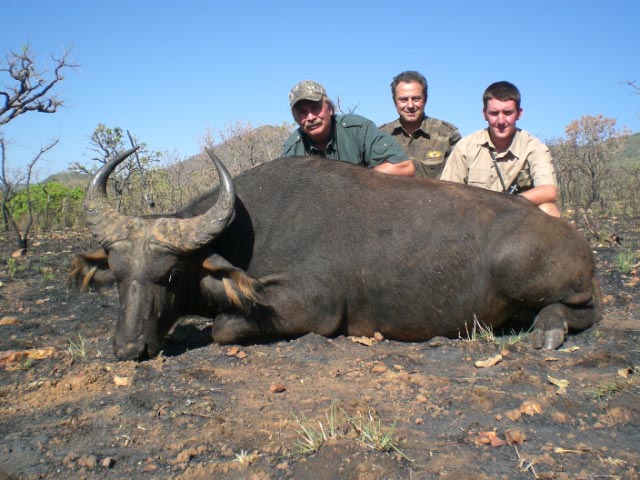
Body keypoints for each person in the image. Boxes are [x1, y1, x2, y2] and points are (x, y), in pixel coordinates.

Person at [441, 81, 561, 217]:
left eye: (508, 112)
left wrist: (503, 205)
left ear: (519, 113)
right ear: (484, 114)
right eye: (494, 113)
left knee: (549, 209)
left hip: (516, 217)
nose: (501, 120)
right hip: (474, 220)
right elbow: (447, 193)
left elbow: (549, 191)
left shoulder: (533, 147)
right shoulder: (466, 146)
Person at [282, 80, 415, 176]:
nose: (310, 117)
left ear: (329, 109)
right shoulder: (292, 149)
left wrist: (354, 182)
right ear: (295, 118)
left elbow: (403, 167)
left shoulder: (358, 129)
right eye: (302, 112)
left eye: (316, 108)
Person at [379, 71, 461, 179]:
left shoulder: (448, 135)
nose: (410, 105)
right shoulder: (380, 137)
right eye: (403, 99)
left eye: (416, 99)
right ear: (395, 101)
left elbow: (457, 182)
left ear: (425, 99)